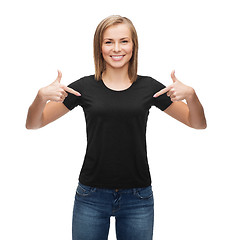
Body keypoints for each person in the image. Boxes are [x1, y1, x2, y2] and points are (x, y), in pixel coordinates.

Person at [26, 15, 206, 240]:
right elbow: (34, 123)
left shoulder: (149, 87)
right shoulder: (84, 87)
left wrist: (192, 96)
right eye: (108, 42)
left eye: (124, 41)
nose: (116, 48)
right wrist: (40, 97)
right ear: (99, 47)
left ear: (133, 45)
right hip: (91, 195)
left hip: (137, 197)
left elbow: (197, 123)